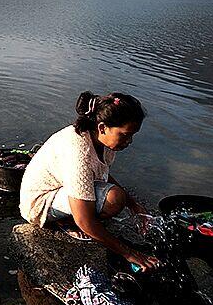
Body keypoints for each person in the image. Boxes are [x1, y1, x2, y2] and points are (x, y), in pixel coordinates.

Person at [19, 91, 160, 272]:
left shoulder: (102, 141)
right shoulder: (79, 151)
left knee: (119, 197)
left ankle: (76, 218)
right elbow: (84, 219)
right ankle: (64, 222)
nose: (129, 141)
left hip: (61, 188)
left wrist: (134, 206)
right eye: (125, 135)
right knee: (114, 200)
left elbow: (100, 173)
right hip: (41, 202)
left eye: (132, 135)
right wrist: (129, 253)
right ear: (102, 128)